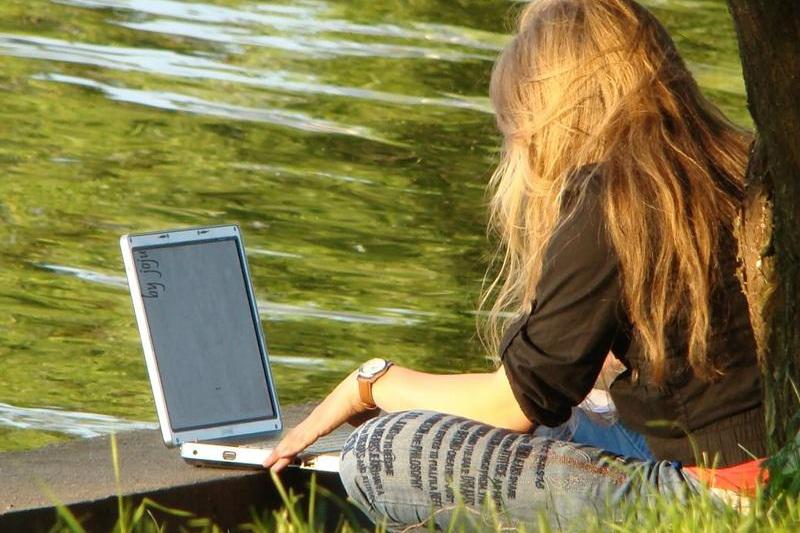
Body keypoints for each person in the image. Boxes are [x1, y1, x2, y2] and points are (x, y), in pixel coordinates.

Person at [263, 0, 766, 529]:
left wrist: (372, 384)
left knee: (379, 452)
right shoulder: (736, 162)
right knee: (564, 423)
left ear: (554, 115)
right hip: (767, 471)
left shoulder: (614, 197)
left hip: (718, 501)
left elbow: (516, 402)